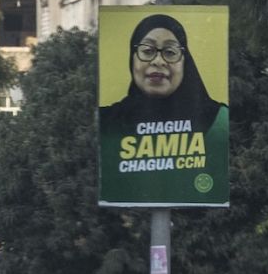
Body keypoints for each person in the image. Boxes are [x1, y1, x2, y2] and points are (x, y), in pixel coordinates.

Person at [98, 13, 229, 196]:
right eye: (147, 50)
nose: (158, 61)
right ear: (132, 58)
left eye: (170, 52)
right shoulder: (106, 121)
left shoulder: (219, 120)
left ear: (185, 61)